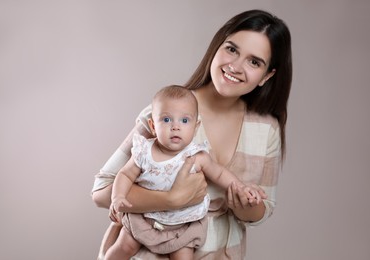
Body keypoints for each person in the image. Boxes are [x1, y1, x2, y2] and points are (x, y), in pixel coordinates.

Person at [92, 9, 292, 260]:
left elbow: (264, 210)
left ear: (267, 76)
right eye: (231, 49)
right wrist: (171, 199)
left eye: (254, 62)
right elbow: (101, 192)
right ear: (217, 47)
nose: (235, 66)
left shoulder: (267, 129)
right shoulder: (169, 114)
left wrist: (246, 204)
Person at [105, 85, 264, 260]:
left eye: (184, 121)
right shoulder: (144, 152)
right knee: (124, 246)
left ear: (196, 127)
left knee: (183, 256)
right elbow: (125, 175)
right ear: (152, 125)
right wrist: (117, 197)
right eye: (166, 120)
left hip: (183, 225)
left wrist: (241, 188)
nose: (175, 127)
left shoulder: (196, 156)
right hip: (144, 217)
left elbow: (219, 174)